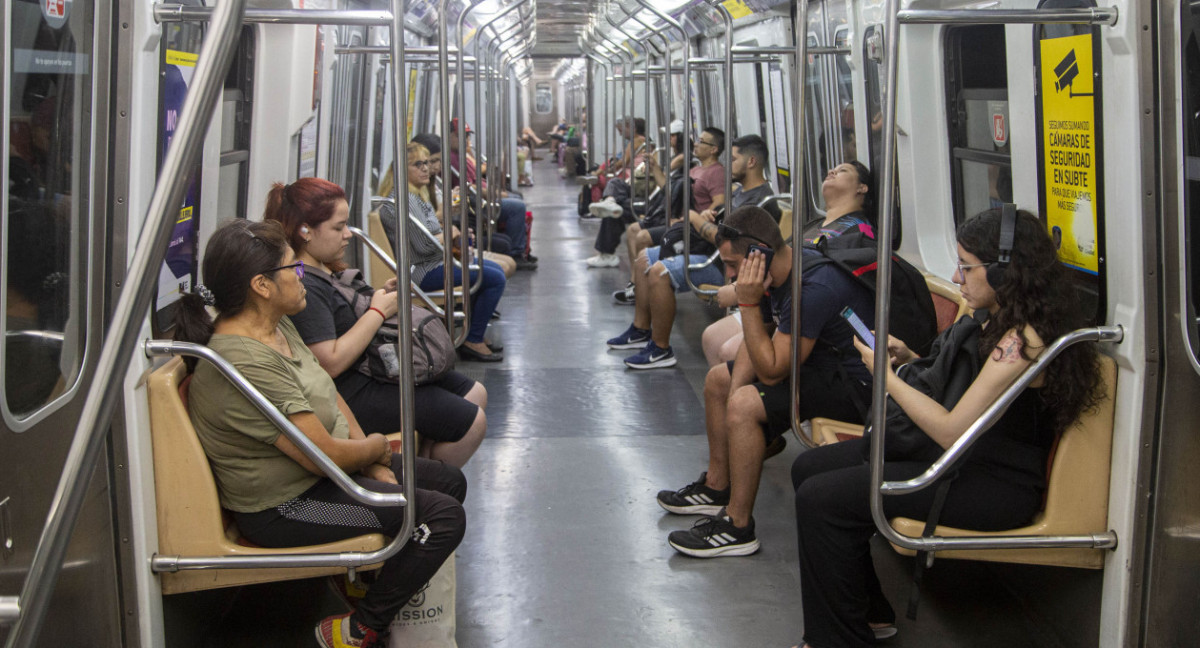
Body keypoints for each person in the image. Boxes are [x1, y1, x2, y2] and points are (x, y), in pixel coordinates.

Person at [789, 208, 1103, 648]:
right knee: (809, 469)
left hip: (994, 484)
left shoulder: (1022, 343)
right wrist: (912, 360)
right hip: (968, 461)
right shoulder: (1000, 320)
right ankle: (866, 613)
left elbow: (953, 430)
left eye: (968, 267)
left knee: (822, 499)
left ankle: (837, 640)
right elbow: (967, 395)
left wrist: (887, 378)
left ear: (1002, 270)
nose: (957, 276)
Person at [174, 219, 465, 648]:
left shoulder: (277, 325)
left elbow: (330, 395)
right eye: (292, 268)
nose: (302, 275)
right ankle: (358, 628)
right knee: (440, 516)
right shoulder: (244, 362)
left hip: (324, 478)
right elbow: (319, 454)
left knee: (448, 480)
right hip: (287, 507)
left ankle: (372, 584)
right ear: (261, 285)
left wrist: (374, 461)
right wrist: (376, 451)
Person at [656, 205, 876, 557]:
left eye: (732, 265)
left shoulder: (812, 287)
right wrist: (736, 389)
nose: (729, 276)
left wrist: (746, 304)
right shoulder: (775, 271)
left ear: (759, 254)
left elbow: (773, 369)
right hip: (818, 368)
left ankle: (738, 526)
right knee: (718, 381)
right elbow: (760, 338)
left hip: (855, 388)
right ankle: (717, 486)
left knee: (744, 406)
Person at [266, 176, 488, 467]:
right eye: (338, 227)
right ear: (305, 231)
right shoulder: (304, 285)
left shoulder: (321, 267)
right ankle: (431, 483)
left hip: (370, 367)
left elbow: (348, 315)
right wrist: (378, 312)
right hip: (352, 388)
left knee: (476, 392)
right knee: (472, 423)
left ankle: (423, 467)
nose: (348, 234)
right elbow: (329, 362)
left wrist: (381, 297)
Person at [607, 134, 777, 370]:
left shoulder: (762, 201)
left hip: (722, 266)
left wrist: (697, 219)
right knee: (644, 258)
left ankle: (661, 349)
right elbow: (722, 219)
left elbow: (727, 242)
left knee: (659, 272)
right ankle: (640, 329)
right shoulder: (739, 192)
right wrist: (711, 213)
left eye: (735, 159)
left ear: (751, 162)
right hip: (711, 253)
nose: (729, 166)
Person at [701, 161, 874, 367]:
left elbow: (831, 273)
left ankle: (754, 395)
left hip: (808, 308)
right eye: (832, 168)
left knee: (729, 351)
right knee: (711, 337)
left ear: (862, 188)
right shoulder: (813, 225)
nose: (831, 171)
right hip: (780, 299)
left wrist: (739, 289)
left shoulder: (861, 231)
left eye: (842, 171)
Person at [394, 142, 508, 361]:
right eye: (418, 164)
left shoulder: (417, 196)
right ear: (402, 169)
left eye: (426, 163)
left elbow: (431, 233)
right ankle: (472, 339)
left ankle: (473, 332)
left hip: (433, 262)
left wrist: (451, 233)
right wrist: (450, 234)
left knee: (490, 270)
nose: (426, 169)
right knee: (493, 277)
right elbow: (425, 245)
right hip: (422, 270)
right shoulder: (406, 202)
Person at [445, 121, 537, 270]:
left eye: (467, 136)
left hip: (483, 195)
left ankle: (523, 249)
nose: (465, 140)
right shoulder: (452, 159)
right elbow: (469, 188)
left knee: (517, 197)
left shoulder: (462, 155)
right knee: (517, 207)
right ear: (449, 136)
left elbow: (476, 171)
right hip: (477, 201)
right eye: (460, 136)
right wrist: (496, 194)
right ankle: (516, 252)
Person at [586, 117, 648, 267]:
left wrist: (602, 170)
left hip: (636, 185)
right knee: (613, 203)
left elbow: (623, 162)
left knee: (612, 187)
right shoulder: (642, 142)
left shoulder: (637, 141)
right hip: (633, 182)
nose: (620, 133)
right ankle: (609, 202)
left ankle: (607, 254)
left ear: (632, 128)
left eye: (622, 129)